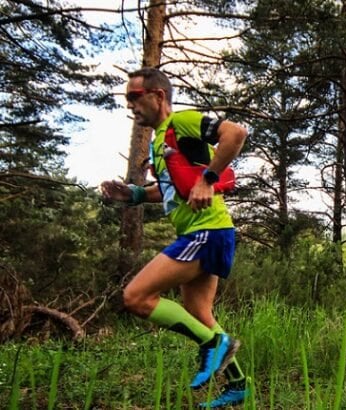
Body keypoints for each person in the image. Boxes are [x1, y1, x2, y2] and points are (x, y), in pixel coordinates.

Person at [100, 67, 249, 408]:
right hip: (205, 231)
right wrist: (134, 195)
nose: (130, 106)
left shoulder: (181, 123)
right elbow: (173, 190)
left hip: (207, 231)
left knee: (136, 297)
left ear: (158, 95)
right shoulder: (159, 141)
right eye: (127, 100)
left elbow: (235, 134)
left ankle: (216, 345)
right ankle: (238, 384)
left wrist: (208, 179)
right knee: (199, 313)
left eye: (134, 97)